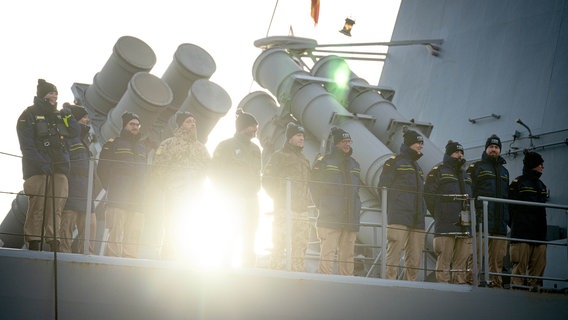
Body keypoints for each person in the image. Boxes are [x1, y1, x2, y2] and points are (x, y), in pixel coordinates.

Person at [16, 79, 75, 251]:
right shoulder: (28, 115)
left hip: (59, 169)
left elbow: (75, 132)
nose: (54, 96)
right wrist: (41, 163)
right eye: (51, 93)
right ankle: (34, 241)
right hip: (37, 170)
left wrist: (69, 115)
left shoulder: (59, 116)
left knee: (57, 206)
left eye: (56, 93)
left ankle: (53, 240)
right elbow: (26, 145)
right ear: (42, 95)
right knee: (37, 205)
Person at [152, 112, 210, 259]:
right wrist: (169, 186)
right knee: (171, 226)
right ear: (180, 125)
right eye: (188, 121)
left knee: (194, 227)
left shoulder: (201, 148)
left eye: (194, 121)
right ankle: (167, 259)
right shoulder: (168, 144)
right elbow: (158, 167)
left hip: (195, 195)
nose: (193, 124)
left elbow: (208, 168)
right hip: (174, 193)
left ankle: (190, 258)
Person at [211, 109, 261, 267]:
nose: (255, 130)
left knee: (251, 232)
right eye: (253, 126)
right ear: (244, 127)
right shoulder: (225, 146)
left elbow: (257, 171)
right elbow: (214, 171)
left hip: (251, 197)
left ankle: (249, 266)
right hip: (232, 197)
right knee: (231, 231)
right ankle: (225, 265)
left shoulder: (256, 149)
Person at [310, 127, 361, 276]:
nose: (347, 144)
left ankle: (347, 285)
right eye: (344, 141)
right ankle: (324, 285)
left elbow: (357, 190)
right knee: (327, 253)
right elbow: (314, 186)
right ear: (336, 143)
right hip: (330, 216)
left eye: (349, 141)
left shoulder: (354, 164)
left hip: (350, 218)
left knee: (348, 256)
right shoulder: (324, 162)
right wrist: (323, 206)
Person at [262, 122, 311, 271]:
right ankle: (275, 272)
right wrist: (280, 198)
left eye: (302, 136)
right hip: (284, 208)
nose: (301, 138)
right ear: (289, 138)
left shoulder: (305, 160)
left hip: (302, 210)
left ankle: (297, 275)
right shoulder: (279, 156)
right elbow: (266, 180)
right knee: (279, 242)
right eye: (298, 135)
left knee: (301, 245)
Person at [97, 112, 147, 258]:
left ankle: (129, 261)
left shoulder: (142, 148)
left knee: (134, 232)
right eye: (132, 124)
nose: (135, 127)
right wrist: (113, 186)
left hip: (137, 197)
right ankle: (111, 261)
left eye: (137, 125)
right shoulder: (112, 144)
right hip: (118, 196)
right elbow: (102, 170)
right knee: (116, 232)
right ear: (125, 125)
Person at [378, 129, 426, 281]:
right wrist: (393, 207)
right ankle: (389, 283)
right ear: (410, 143)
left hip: (417, 218)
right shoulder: (394, 162)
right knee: (394, 252)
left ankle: (410, 286)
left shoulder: (418, 168)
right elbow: (382, 188)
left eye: (421, 143)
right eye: (418, 143)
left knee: (415, 257)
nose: (420, 146)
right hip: (399, 216)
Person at [424, 140, 473, 284]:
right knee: (444, 260)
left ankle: (459, 287)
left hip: (465, 225)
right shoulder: (438, 171)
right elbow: (429, 195)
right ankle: (443, 289)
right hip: (445, 225)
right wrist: (441, 213)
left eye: (462, 152)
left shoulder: (466, 176)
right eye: (457, 152)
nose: (460, 155)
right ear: (449, 154)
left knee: (461, 261)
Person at [467, 134, 509, 288]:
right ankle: (472, 282)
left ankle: (495, 284)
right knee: (476, 255)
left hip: (499, 222)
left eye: (496, 147)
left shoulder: (505, 171)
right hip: (482, 219)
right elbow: (469, 191)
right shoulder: (476, 167)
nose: (494, 149)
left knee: (498, 258)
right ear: (486, 149)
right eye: (491, 147)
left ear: (499, 150)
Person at [60, 103, 96, 254]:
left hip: (86, 195)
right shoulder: (67, 139)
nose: (87, 120)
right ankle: (63, 257)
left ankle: (88, 259)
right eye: (84, 117)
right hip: (71, 192)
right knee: (66, 230)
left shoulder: (85, 141)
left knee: (90, 228)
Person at [508, 150, 547, 287]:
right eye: (540, 164)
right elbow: (509, 208)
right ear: (533, 165)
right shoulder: (518, 183)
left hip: (539, 236)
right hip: (522, 235)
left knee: (537, 273)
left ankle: (535, 299)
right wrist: (517, 224)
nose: (542, 166)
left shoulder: (542, 186)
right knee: (519, 270)